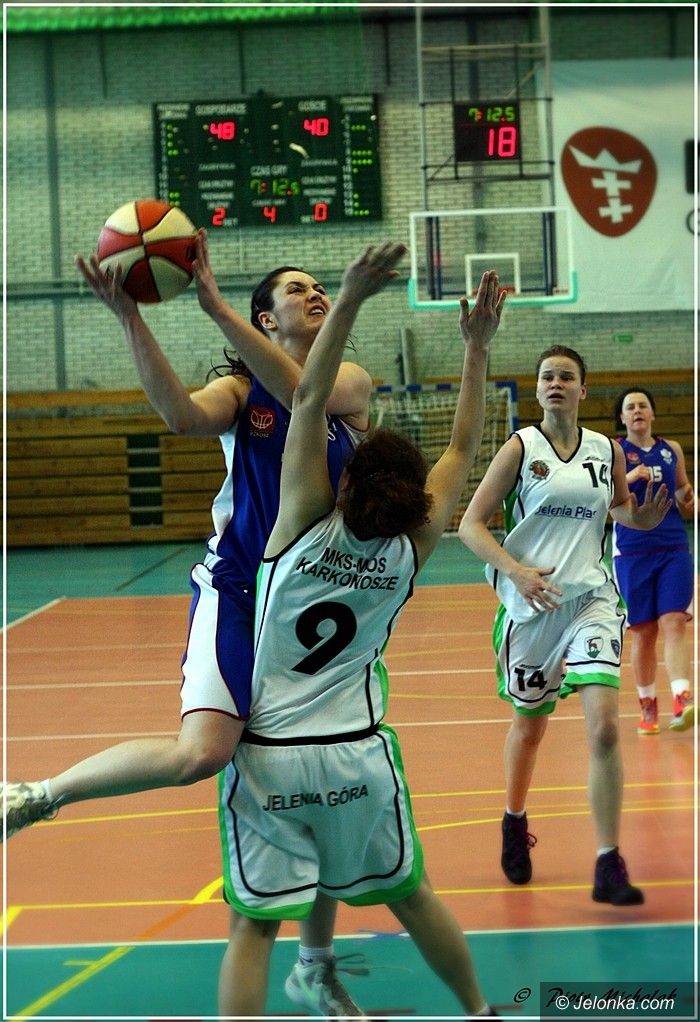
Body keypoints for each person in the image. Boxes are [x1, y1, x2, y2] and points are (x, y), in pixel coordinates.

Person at [2, 231, 386, 1017]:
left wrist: (216, 308)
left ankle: (314, 966)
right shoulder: (241, 394)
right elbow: (180, 415)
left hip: (314, 607)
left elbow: (309, 392)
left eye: (321, 286)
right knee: (202, 753)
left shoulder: (349, 381)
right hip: (241, 590)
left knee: (318, 781)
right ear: (264, 317)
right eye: (297, 289)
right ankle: (38, 794)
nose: (315, 293)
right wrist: (132, 320)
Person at [216, 249, 506, 1017]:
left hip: (270, 752)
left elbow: (307, 398)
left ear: (344, 479)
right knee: (414, 896)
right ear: (415, 497)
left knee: (254, 926)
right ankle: (479, 1009)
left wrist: (345, 301)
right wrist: (477, 351)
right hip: (357, 753)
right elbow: (463, 449)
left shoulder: (296, 530)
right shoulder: (412, 549)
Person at [458, 345, 672, 905]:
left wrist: (642, 519)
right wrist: (516, 571)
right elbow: (471, 526)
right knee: (530, 728)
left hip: (591, 599)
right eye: (547, 376)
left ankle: (608, 861)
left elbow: (618, 509)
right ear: (537, 389)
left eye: (566, 376)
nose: (556, 383)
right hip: (532, 608)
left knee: (604, 728)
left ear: (583, 389)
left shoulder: (606, 449)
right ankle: (513, 819)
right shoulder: (520, 447)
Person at [611, 386, 696, 735]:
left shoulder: (670, 449)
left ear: (652, 413)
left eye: (642, 405)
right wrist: (630, 477)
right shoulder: (615, 451)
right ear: (622, 417)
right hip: (632, 550)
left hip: (673, 547)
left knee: (675, 621)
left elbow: (683, 489)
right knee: (644, 632)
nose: (637, 411)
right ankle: (648, 705)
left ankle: (682, 699)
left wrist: (690, 499)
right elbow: (604, 497)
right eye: (630, 406)